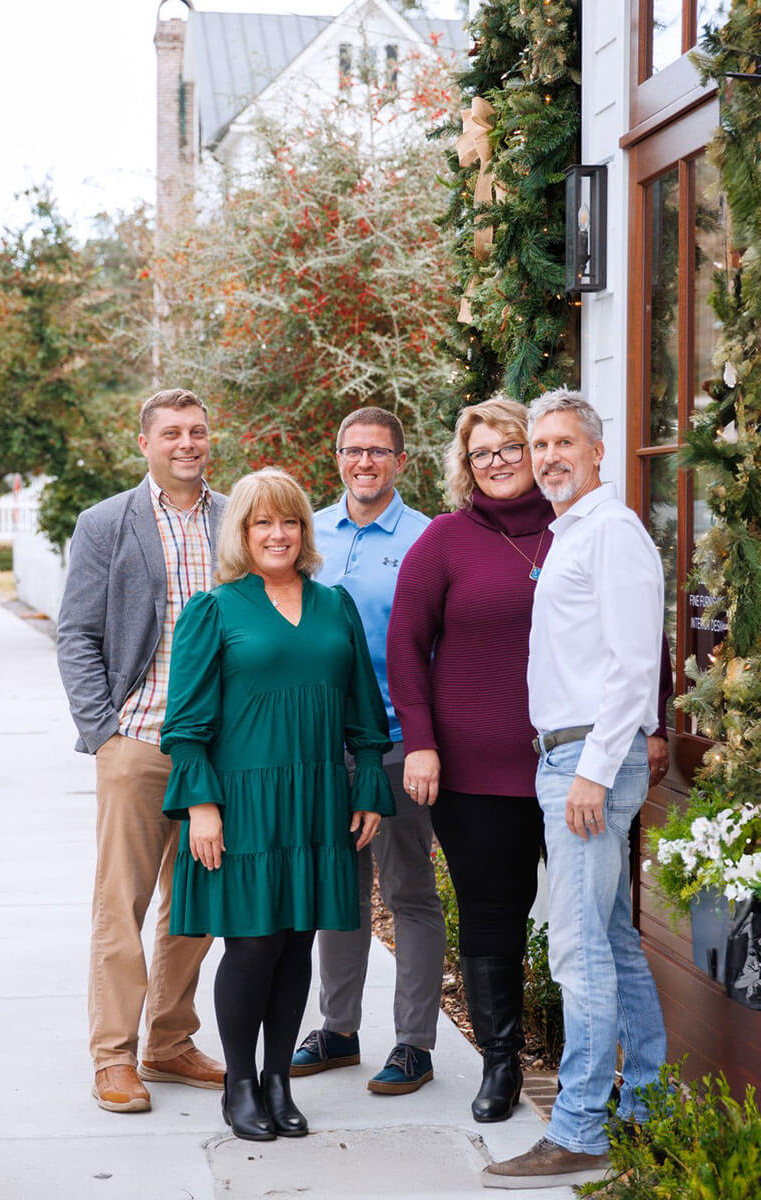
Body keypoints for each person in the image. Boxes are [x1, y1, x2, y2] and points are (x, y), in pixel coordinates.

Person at [387, 396, 672, 1131]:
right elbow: (404, 644)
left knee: (597, 932)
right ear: (467, 465)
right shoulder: (447, 541)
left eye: (515, 446)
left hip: (581, 765)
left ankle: (604, 1102)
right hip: (478, 771)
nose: (506, 462)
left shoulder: (582, 528)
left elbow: (637, 640)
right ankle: (503, 1061)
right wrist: (419, 738)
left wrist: (656, 723)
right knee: (492, 916)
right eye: (485, 454)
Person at [159, 468, 395, 1142]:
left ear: (304, 530)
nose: (277, 533)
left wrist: (370, 781)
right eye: (262, 522)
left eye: (289, 521)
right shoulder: (216, 610)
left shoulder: (334, 606)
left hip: (318, 795)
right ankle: (238, 1083)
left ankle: (278, 1081)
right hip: (245, 802)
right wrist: (202, 805)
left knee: (297, 946)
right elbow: (186, 724)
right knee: (253, 946)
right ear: (242, 532)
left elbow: (364, 709)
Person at [482, 388, 668, 1190]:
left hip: (589, 761)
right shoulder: (573, 534)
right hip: (567, 756)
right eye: (540, 444)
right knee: (614, 940)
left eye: (564, 442)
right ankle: (649, 1110)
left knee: (580, 951)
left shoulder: (612, 535)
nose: (549, 456)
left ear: (597, 451)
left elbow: (633, 667)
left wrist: (591, 771)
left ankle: (581, 1128)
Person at [56, 388, 227, 1113]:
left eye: (197, 431)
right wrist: (105, 734)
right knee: (119, 906)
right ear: (145, 445)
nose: (187, 443)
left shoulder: (236, 517)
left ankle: (168, 1039)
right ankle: (112, 1057)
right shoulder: (105, 524)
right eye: (172, 434)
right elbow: (76, 635)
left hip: (216, 751)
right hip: (138, 741)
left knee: (192, 905)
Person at [291, 407, 446, 1096]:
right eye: (353, 451)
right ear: (337, 457)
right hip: (322, 749)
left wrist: (425, 743)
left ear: (401, 462)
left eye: (379, 452)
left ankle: (414, 1042)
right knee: (340, 897)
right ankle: (338, 1029)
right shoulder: (307, 534)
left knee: (409, 893)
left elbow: (443, 649)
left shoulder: (429, 539)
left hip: (395, 745)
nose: (365, 463)